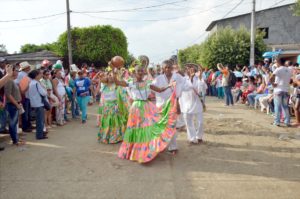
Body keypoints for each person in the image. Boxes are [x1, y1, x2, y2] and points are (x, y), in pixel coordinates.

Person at [112, 63, 177, 163]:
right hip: (136, 108)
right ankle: (134, 151)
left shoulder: (147, 83)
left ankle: (146, 150)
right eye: (139, 71)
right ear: (134, 72)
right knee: (136, 129)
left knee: (148, 128)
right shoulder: (130, 82)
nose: (141, 73)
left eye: (142, 71)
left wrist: (169, 85)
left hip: (147, 107)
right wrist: (114, 71)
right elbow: (117, 82)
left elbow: (159, 90)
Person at [152, 60, 186, 153]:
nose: (167, 69)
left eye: (169, 67)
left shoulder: (177, 77)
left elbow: (185, 81)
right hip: (161, 106)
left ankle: (173, 147)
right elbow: (153, 88)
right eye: (165, 67)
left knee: (172, 126)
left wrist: (181, 72)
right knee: (162, 127)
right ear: (163, 68)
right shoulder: (158, 79)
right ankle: (161, 145)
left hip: (172, 105)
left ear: (172, 68)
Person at [96, 70, 127, 144]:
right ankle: (105, 137)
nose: (110, 76)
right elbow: (97, 92)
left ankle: (115, 137)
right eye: (109, 75)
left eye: (112, 75)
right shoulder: (104, 87)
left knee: (114, 122)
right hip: (106, 108)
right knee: (106, 122)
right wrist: (100, 81)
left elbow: (123, 97)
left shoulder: (117, 86)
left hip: (114, 108)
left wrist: (119, 106)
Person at [179, 64, 204, 144]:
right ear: (186, 70)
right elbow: (183, 88)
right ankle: (192, 139)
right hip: (186, 104)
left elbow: (202, 90)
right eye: (188, 68)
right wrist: (190, 78)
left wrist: (199, 78)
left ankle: (199, 136)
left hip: (197, 103)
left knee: (200, 122)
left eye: (192, 68)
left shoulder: (199, 78)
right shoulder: (183, 79)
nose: (190, 70)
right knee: (188, 122)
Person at [270, 59, 292, 127]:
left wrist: (273, 84)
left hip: (278, 90)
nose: (276, 63)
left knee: (277, 106)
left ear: (279, 62)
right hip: (285, 90)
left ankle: (277, 122)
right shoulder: (289, 70)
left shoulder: (278, 69)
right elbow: (290, 80)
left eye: (276, 62)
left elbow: (271, 78)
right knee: (285, 106)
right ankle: (287, 122)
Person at [4, 65, 23, 145]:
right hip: (12, 105)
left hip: (15, 104)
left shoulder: (12, 80)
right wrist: (16, 104)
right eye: (16, 71)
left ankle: (16, 139)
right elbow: (8, 94)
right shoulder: (9, 81)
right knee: (12, 124)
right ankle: (15, 140)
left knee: (15, 123)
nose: (17, 72)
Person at [15, 61, 32, 133]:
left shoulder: (26, 74)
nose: (30, 68)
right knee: (25, 112)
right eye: (28, 67)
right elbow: (18, 84)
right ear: (26, 68)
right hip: (24, 95)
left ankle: (28, 125)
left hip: (28, 95)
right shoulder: (21, 74)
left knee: (28, 112)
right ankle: (25, 126)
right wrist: (22, 93)